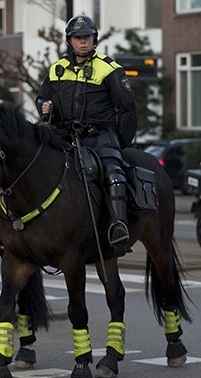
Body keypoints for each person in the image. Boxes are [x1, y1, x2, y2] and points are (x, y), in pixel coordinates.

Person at [36, 14, 137, 254]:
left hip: (98, 135)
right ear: (69, 41)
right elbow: (42, 97)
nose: (82, 42)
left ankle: (118, 226)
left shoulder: (109, 68)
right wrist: (43, 105)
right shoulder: (57, 69)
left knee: (113, 172)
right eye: (77, 38)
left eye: (87, 37)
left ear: (95, 39)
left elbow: (128, 109)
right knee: (32, 164)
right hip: (63, 135)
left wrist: (119, 143)